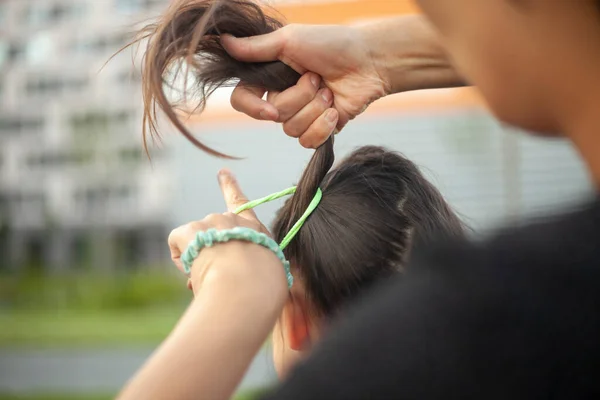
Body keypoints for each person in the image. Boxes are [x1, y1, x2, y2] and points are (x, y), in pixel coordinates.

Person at [119, 0, 600, 399]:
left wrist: (236, 298)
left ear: (298, 322)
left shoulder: (474, 334)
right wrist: (377, 56)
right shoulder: (546, 332)